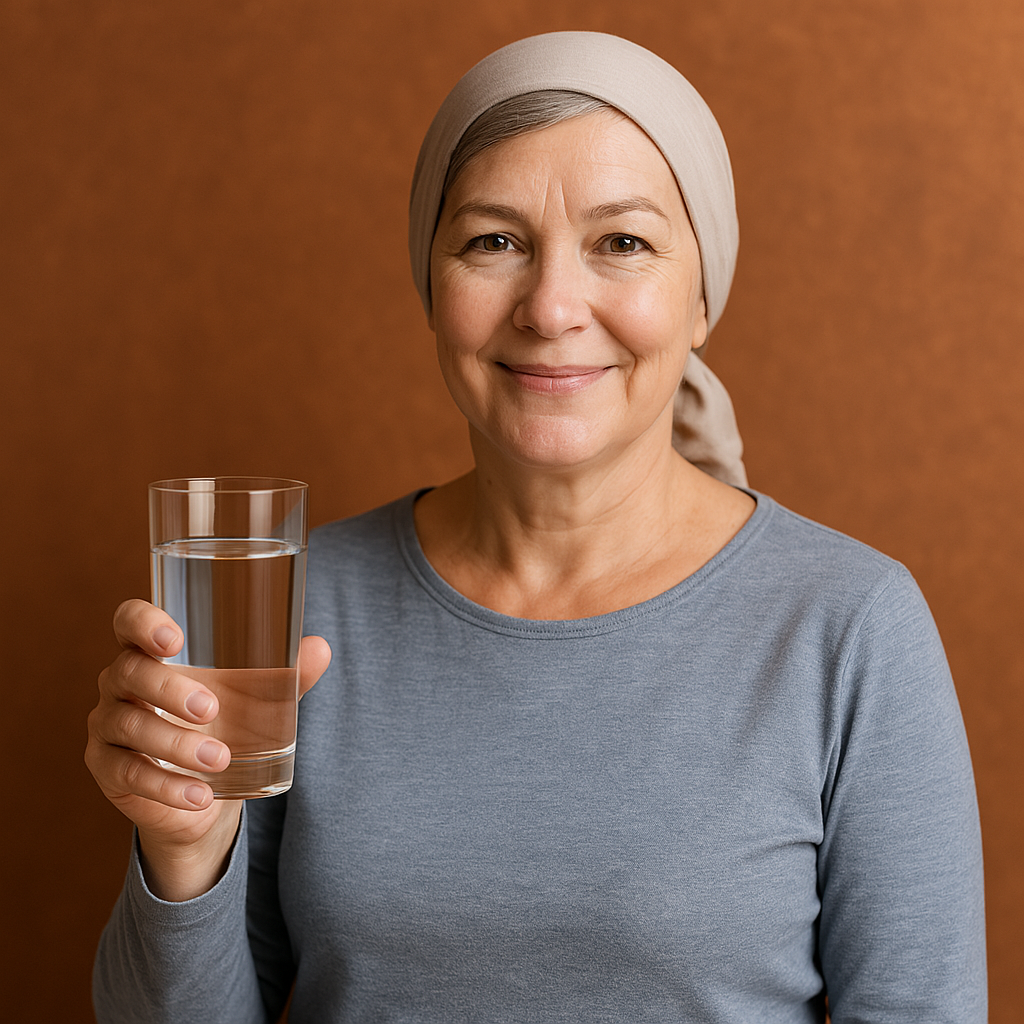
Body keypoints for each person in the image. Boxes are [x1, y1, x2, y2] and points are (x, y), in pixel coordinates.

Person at [87, 31, 986, 1023]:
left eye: (623, 242)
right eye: (493, 241)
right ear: (433, 287)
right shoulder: (289, 613)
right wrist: (184, 855)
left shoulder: (850, 626)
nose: (552, 306)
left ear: (699, 298)